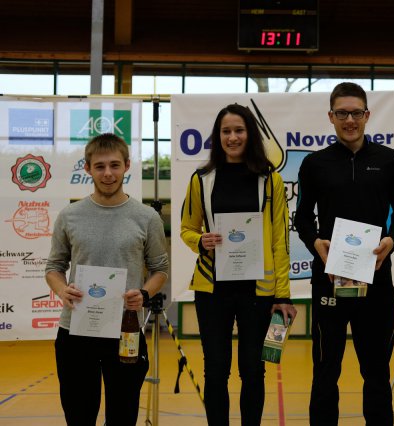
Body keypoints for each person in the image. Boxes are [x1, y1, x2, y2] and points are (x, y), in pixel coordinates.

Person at [294, 82, 394, 425]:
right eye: (342, 113)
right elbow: (302, 217)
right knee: (325, 371)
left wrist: (391, 240)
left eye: (356, 113)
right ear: (331, 116)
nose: (350, 120)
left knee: (376, 373)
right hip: (329, 281)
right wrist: (315, 243)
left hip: (376, 282)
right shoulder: (315, 164)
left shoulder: (390, 161)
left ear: (367, 115)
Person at [180, 103, 297, 425]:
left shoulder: (270, 180)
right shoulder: (201, 179)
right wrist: (200, 241)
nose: (232, 137)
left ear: (250, 134)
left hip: (257, 292)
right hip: (212, 290)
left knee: (253, 371)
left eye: (239, 130)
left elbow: (279, 240)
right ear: (218, 137)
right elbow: (187, 229)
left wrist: (283, 294)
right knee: (216, 370)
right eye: (226, 131)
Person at [45, 133, 169, 426]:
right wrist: (62, 290)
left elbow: (160, 270)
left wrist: (144, 294)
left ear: (127, 166)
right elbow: (54, 267)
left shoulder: (146, 217)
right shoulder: (69, 215)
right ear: (87, 168)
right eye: (99, 166)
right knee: (79, 416)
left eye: (115, 165)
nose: (108, 173)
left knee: (123, 417)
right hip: (76, 331)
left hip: (126, 331)